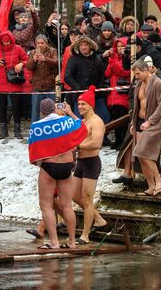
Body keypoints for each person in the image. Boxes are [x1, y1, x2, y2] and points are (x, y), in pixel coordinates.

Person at [30, 99, 77, 249]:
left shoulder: (37, 126)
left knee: (46, 205)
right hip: (66, 166)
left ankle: (54, 242)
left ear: (42, 112)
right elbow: (83, 128)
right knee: (67, 206)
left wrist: (39, 164)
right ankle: (72, 242)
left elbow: (33, 152)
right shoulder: (66, 122)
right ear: (55, 109)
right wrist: (70, 113)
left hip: (49, 166)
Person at [68, 86, 107, 245]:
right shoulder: (84, 121)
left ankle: (85, 235)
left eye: (84, 104)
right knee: (75, 195)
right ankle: (98, 219)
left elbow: (96, 143)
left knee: (87, 199)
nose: (81, 107)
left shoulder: (97, 121)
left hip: (91, 162)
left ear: (91, 105)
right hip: (81, 162)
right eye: (79, 104)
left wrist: (78, 146)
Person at [131, 60, 161, 196]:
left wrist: (150, 121)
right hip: (140, 121)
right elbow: (136, 106)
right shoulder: (138, 85)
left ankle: (159, 180)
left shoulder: (159, 83)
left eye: (138, 74)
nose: (137, 77)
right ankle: (151, 186)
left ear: (146, 70)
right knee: (140, 155)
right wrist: (132, 123)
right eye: (135, 75)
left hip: (154, 123)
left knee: (143, 152)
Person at [0, 30, 28, 139]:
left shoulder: (18, 48)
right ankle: (4, 131)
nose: (6, 44)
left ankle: (17, 130)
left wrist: (21, 64)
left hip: (14, 80)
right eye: (4, 42)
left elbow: (27, 59)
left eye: (8, 42)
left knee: (16, 106)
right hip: (2, 80)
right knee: (2, 107)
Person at [105, 37, 131, 150]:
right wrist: (112, 62)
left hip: (123, 94)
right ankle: (118, 140)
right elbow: (107, 73)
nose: (120, 48)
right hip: (114, 94)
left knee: (123, 120)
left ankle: (122, 141)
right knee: (116, 119)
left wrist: (113, 61)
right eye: (118, 46)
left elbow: (123, 71)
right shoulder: (114, 59)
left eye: (122, 46)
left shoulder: (128, 59)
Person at [26, 35, 58, 123]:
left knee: (52, 109)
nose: (40, 45)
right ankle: (35, 127)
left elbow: (56, 63)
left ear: (46, 43)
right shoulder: (32, 52)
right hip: (37, 85)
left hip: (50, 84)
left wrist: (45, 59)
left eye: (42, 43)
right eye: (38, 43)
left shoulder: (52, 50)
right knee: (35, 109)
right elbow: (28, 67)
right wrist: (34, 60)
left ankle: (53, 125)